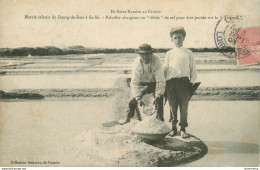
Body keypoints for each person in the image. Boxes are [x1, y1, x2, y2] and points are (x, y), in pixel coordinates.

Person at [163, 27, 197, 138]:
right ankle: (173, 128)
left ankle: (183, 129)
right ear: (171, 39)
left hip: (184, 83)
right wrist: (163, 83)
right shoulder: (169, 53)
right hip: (170, 83)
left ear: (184, 38)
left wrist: (191, 83)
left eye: (180, 37)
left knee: (184, 107)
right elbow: (165, 68)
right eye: (175, 38)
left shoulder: (188, 52)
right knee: (172, 106)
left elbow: (193, 69)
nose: (178, 40)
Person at [123, 43, 166, 124]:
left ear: (151, 53)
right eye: (142, 55)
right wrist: (138, 98)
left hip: (154, 83)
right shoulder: (136, 62)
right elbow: (135, 82)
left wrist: (157, 95)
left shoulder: (157, 61)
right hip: (141, 83)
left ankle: (160, 121)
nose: (145, 57)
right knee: (132, 100)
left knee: (159, 101)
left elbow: (160, 80)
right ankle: (128, 119)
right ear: (139, 54)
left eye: (147, 54)